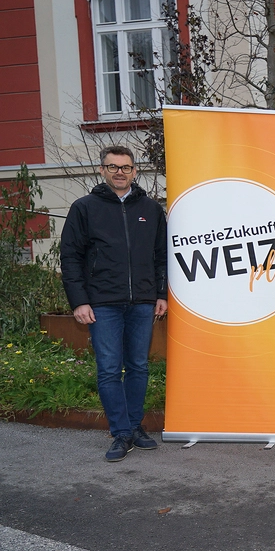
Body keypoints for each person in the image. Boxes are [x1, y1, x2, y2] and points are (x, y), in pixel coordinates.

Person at [60, 145, 167, 462]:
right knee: (109, 370)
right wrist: (79, 301)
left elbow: (161, 256)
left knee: (138, 367)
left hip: (142, 302)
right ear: (102, 170)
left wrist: (160, 294)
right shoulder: (85, 208)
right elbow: (71, 258)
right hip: (102, 303)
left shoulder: (151, 208)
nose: (120, 172)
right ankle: (120, 433)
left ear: (135, 171)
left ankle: (134, 427)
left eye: (125, 167)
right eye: (113, 167)